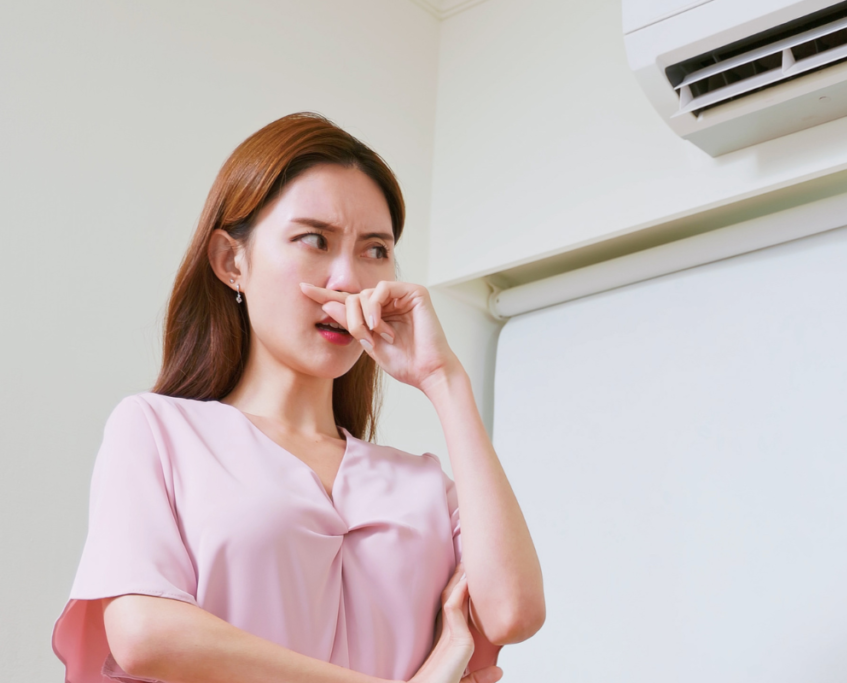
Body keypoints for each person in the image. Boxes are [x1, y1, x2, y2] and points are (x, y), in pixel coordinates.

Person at [50, 112, 545, 683]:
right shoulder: (159, 430)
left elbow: (513, 612)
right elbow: (144, 633)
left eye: (375, 250)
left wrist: (443, 378)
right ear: (232, 261)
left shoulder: (425, 487)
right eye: (315, 240)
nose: (348, 281)